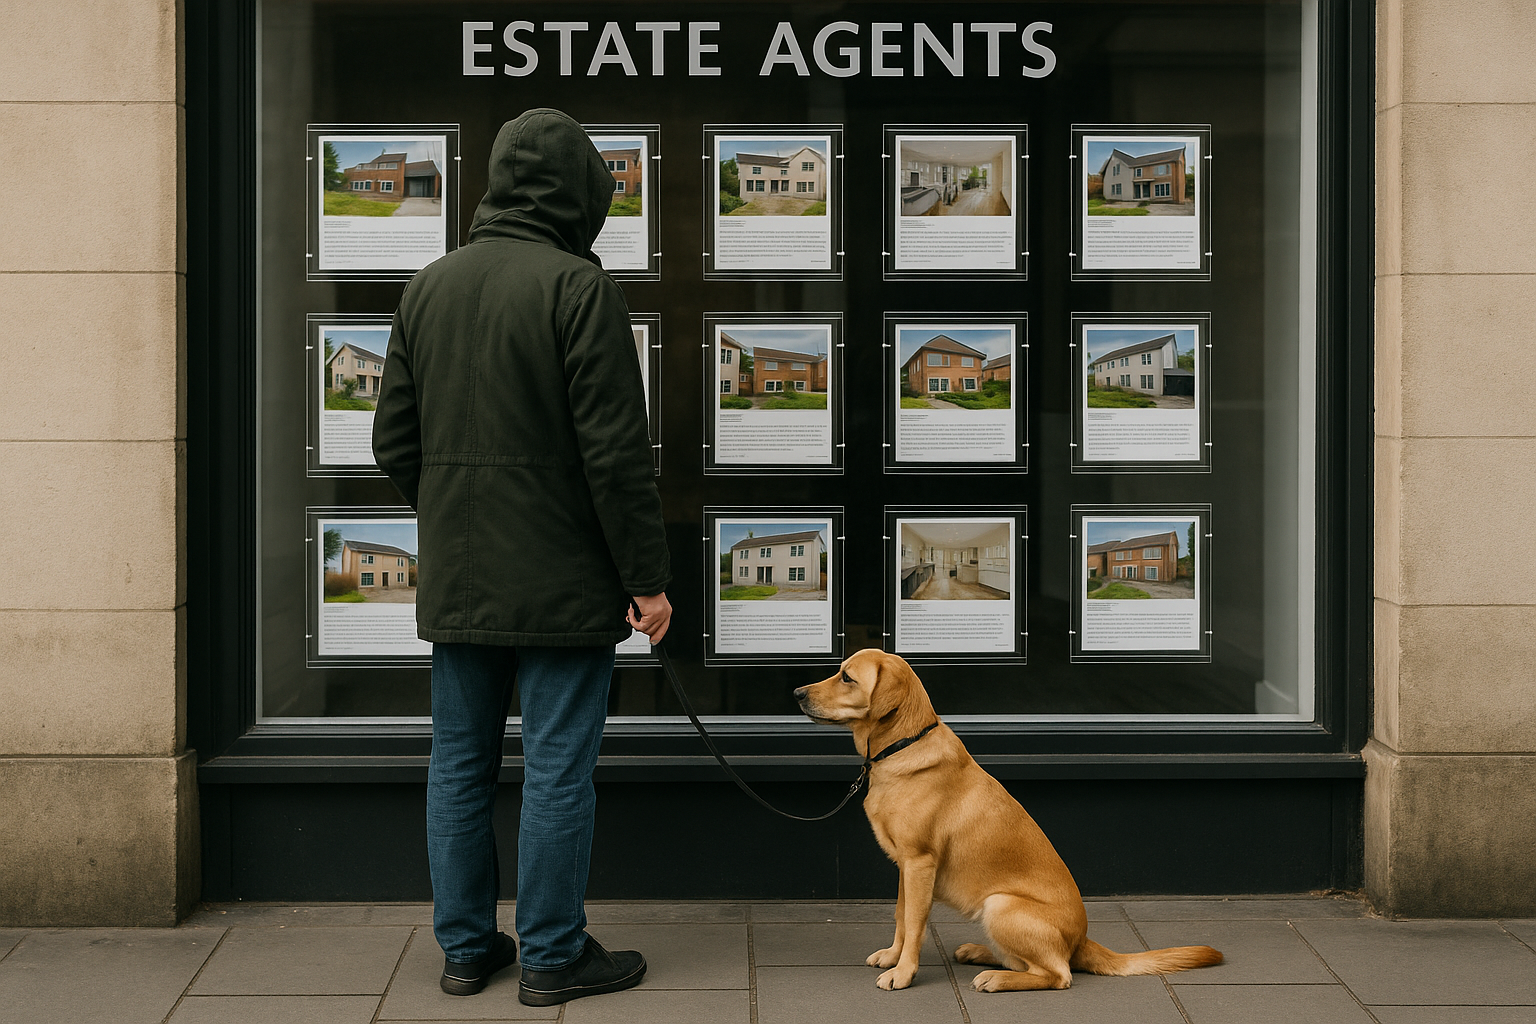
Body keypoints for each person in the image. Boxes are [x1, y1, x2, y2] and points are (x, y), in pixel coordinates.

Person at [372, 108, 671, 1008]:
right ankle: (551, 956)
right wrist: (646, 581)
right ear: (578, 194)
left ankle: (467, 952)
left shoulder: (428, 286)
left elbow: (393, 442)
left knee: (458, 767)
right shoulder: (578, 288)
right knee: (556, 771)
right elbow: (615, 457)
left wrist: (453, 511)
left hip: (461, 581)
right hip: (563, 583)